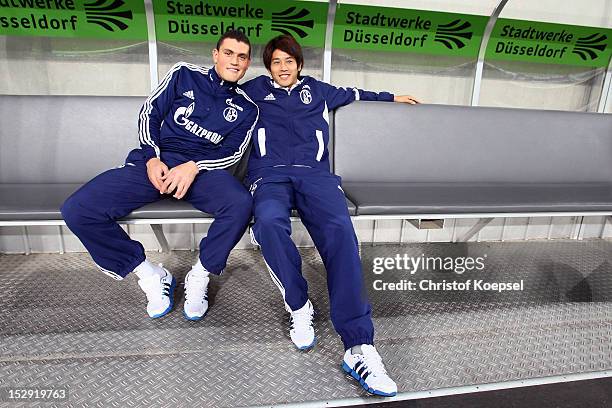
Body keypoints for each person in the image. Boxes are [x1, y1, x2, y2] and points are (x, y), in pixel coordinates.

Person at [241, 35, 418, 397]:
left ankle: (358, 347)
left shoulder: (318, 91)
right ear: (268, 66)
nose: (284, 67)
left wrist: (392, 98)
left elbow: (356, 93)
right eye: (276, 61)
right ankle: (299, 304)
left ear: (300, 64)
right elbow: (218, 102)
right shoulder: (252, 91)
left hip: (315, 176)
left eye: (290, 60)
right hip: (268, 174)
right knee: (269, 224)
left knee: (340, 231)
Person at [61, 30, 258, 321]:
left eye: (241, 57)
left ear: (248, 63)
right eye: (228, 53)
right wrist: (152, 158)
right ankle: (150, 275)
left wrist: (194, 167)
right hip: (157, 162)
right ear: (215, 55)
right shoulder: (183, 74)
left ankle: (200, 276)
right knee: (78, 209)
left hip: (200, 170)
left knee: (241, 204)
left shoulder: (247, 108)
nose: (234, 61)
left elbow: (233, 151)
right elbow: (149, 113)